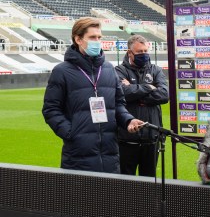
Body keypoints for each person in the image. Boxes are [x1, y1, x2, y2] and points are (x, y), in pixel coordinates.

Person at [42, 17, 144, 173]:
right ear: (78, 39)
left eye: (99, 37)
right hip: (77, 157)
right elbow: (51, 109)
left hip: (110, 154)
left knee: (109, 197)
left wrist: (128, 120)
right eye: (92, 37)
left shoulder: (109, 69)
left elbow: (118, 104)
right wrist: (71, 133)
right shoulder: (61, 71)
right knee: (80, 198)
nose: (97, 41)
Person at [115, 35, 169, 176]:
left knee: (150, 184)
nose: (144, 54)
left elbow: (164, 95)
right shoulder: (119, 71)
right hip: (126, 140)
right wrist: (149, 87)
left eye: (146, 51)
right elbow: (123, 93)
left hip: (151, 138)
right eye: (140, 52)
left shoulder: (155, 70)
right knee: (126, 185)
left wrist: (135, 91)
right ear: (130, 53)